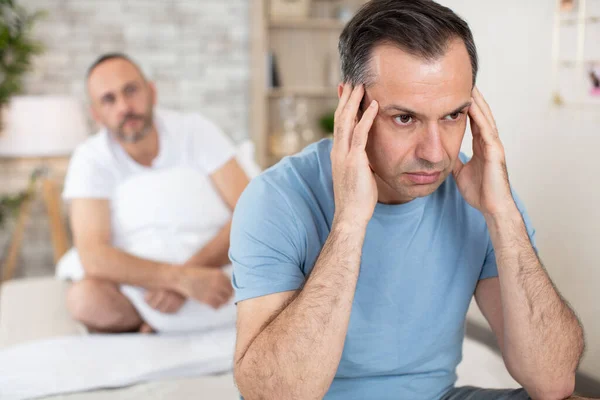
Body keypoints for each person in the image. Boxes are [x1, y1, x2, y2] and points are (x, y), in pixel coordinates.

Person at [230, 1, 584, 399]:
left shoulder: (478, 189)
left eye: (452, 116)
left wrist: (503, 216)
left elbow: (553, 381)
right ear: (350, 106)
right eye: (404, 118)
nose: (435, 152)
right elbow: (272, 395)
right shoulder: (277, 198)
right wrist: (349, 222)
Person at [62, 53, 249, 333]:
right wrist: (179, 280)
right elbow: (93, 254)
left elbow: (251, 211)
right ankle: (150, 319)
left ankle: (161, 323)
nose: (124, 107)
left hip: (217, 274)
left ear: (151, 92)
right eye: (109, 99)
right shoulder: (89, 158)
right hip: (142, 290)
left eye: (131, 91)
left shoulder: (195, 130)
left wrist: (193, 275)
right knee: (84, 299)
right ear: (97, 114)